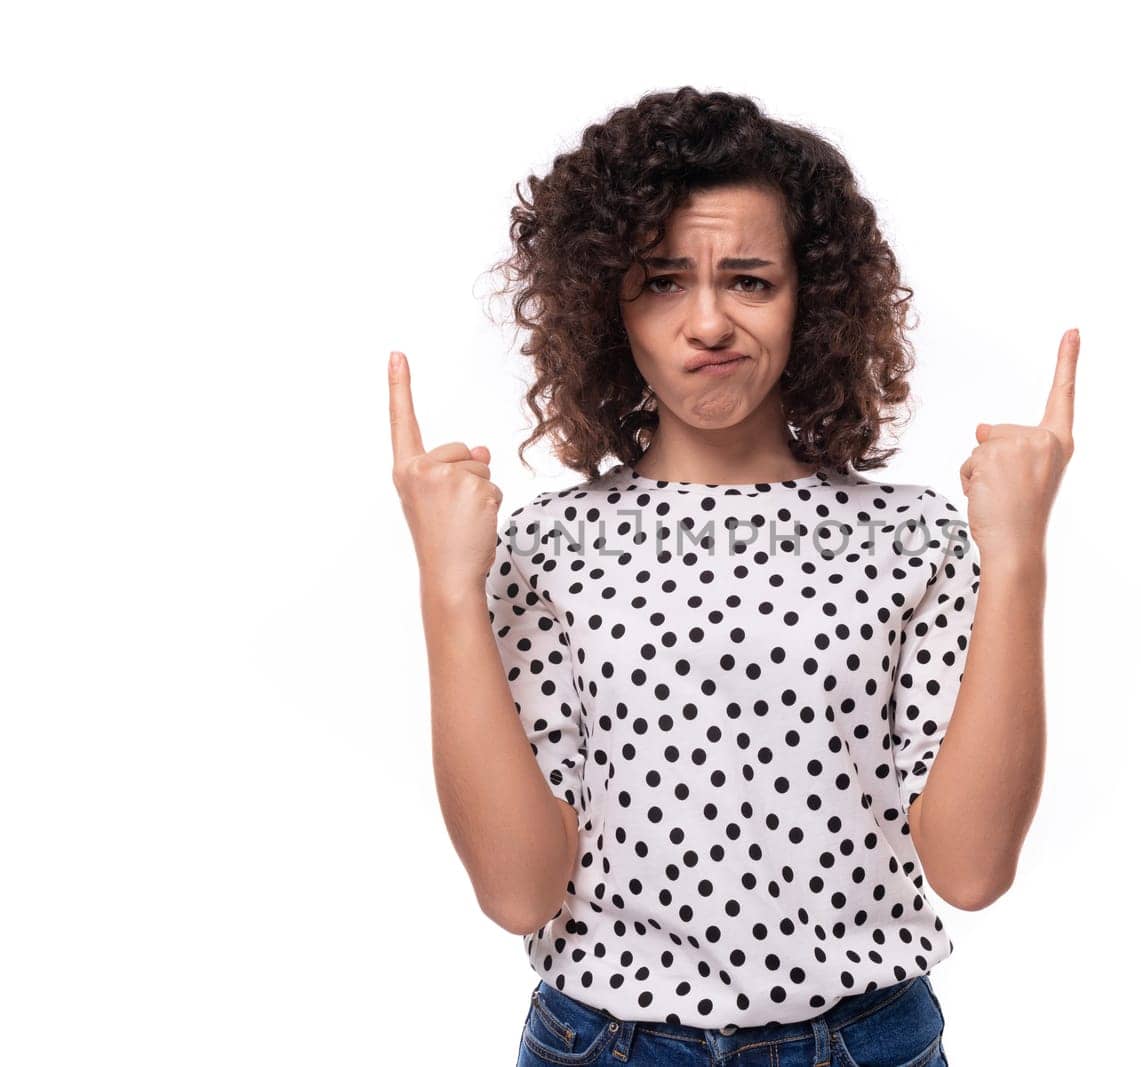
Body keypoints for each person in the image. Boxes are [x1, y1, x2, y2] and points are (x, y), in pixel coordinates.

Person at [388, 86, 1075, 1066]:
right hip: (608, 1043)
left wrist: (1017, 556)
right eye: (663, 280)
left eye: (749, 279)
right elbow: (514, 890)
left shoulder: (913, 538)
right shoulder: (548, 548)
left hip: (864, 1042)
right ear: (608, 305)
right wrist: (447, 589)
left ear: (814, 300)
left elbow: (967, 868)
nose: (706, 321)